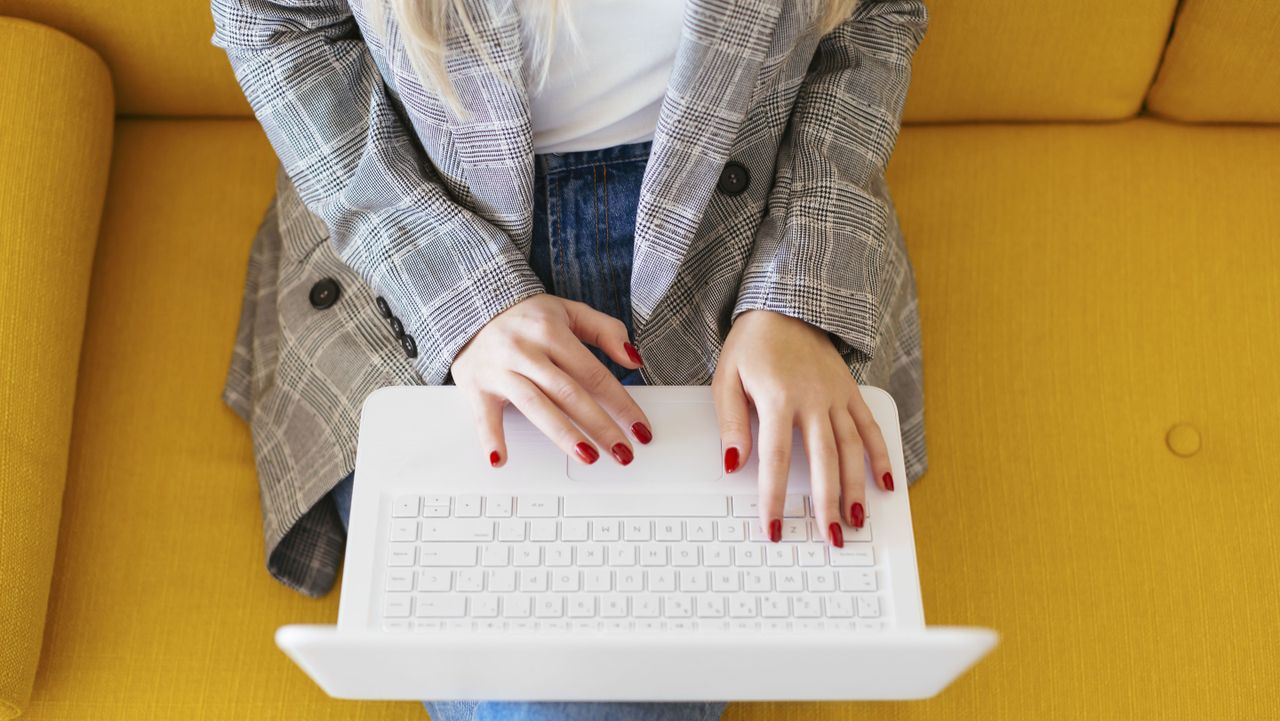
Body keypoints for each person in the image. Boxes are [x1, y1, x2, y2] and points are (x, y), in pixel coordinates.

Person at [212, 0, 928, 718]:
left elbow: (874, 13)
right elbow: (273, 20)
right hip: (418, 222)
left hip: (744, 239)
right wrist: (462, 295)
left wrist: (796, 294)